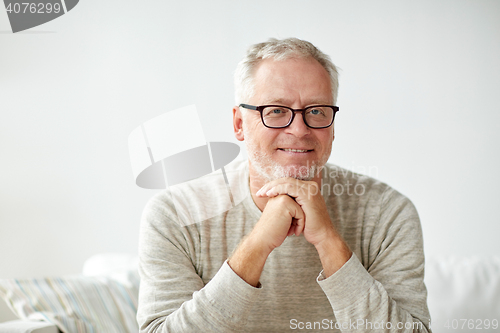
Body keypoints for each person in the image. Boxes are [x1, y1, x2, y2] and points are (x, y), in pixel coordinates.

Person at [137, 38, 431, 332]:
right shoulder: (175, 214)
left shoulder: (387, 213)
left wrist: (329, 241)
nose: (299, 129)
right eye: (276, 111)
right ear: (239, 124)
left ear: (332, 125)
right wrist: (257, 244)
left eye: (316, 111)